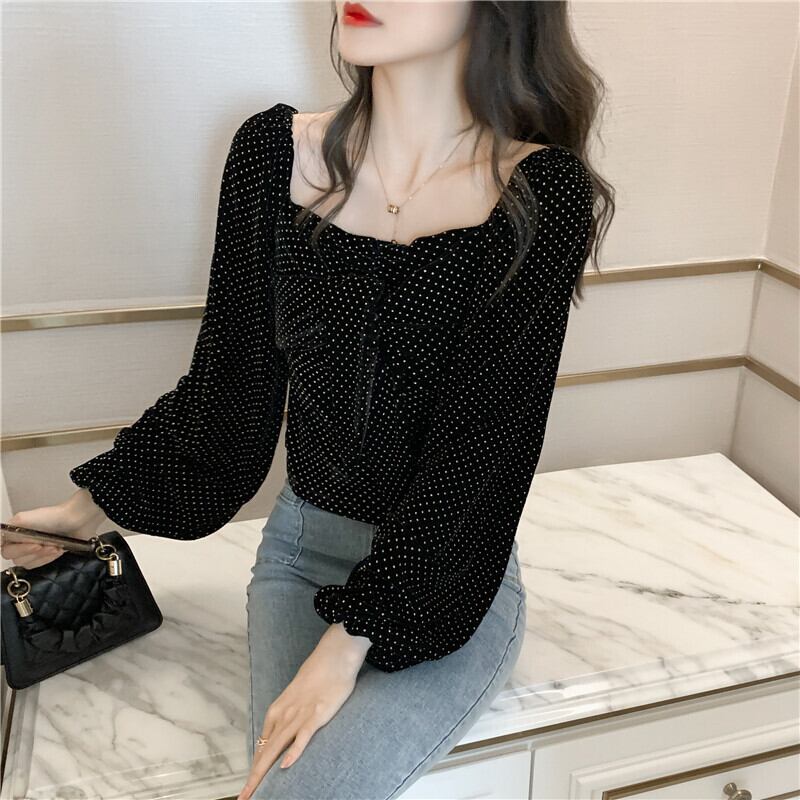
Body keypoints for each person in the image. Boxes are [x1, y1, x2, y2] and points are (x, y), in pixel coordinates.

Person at [3, 2, 613, 798]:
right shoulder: (274, 154)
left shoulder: (539, 194)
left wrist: (350, 639)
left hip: (446, 576)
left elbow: (481, 455)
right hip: (300, 555)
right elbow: (229, 391)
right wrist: (85, 511)